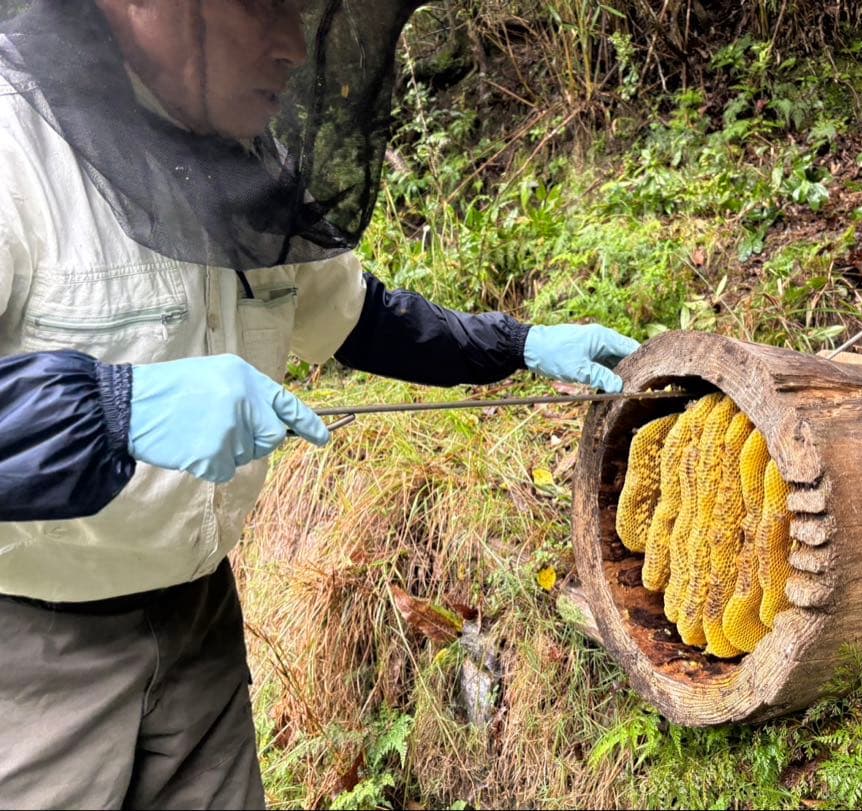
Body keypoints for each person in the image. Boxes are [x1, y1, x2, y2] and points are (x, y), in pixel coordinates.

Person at [0, 1, 638, 808]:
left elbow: (359, 317)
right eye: (265, 5)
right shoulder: (14, 145)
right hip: (27, 651)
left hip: (198, 622)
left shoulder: (243, 158)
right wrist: (111, 410)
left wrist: (518, 343)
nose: (294, 45)